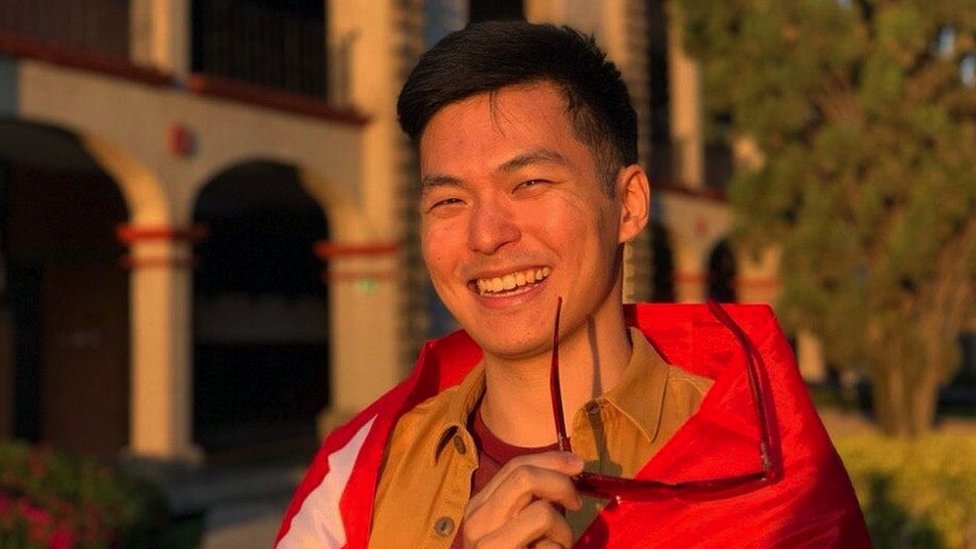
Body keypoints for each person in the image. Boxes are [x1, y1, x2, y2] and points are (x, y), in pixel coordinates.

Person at [276, 21, 869, 548]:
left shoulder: (763, 467)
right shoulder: (361, 470)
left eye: (530, 183)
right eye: (450, 199)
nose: (486, 235)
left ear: (629, 204)